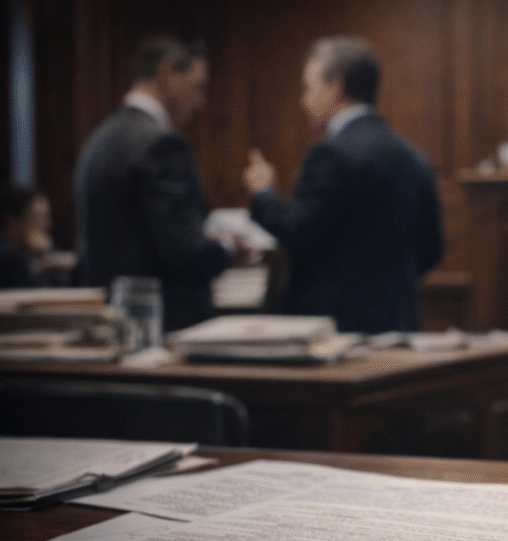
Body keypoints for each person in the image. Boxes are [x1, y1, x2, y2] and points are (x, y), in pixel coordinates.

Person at [243, 36, 443, 333]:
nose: (302, 101)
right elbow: (431, 250)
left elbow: (296, 230)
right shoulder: (415, 157)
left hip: (333, 332)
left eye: (308, 88)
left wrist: (263, 193)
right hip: (398, 326)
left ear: (335, 86)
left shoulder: (330, 153)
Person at [74, 35, 248, 332]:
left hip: (109, 321)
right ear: (167, 75)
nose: (200, 102)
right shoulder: (161, 145)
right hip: (163, 325)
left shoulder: (99, 138)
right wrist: (229, 251)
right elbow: (182, 250)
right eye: (197, 87)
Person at [0, 187, 76, 288]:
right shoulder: (8, 258)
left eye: (47, 216)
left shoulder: (32, 254)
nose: (48, 224)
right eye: (39, 218)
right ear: (12, 224)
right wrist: (45, 260)